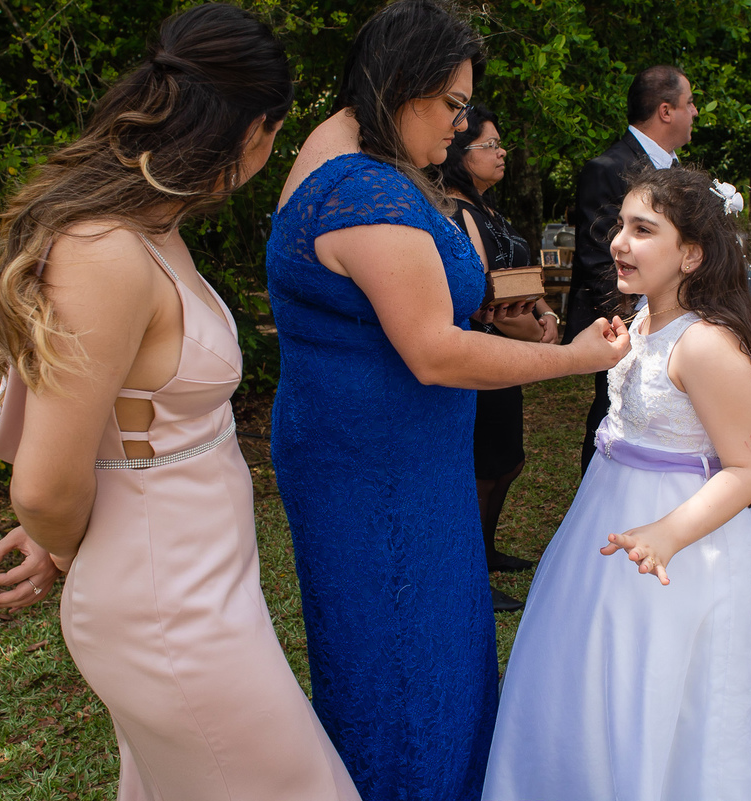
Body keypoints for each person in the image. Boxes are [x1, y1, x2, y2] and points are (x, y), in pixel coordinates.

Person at [0, 6, 361, 800]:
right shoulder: (103, 250)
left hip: (198, 577)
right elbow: (45, 484)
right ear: (254, 130)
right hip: (166, 605)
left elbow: (109, 429)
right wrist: (82, 545)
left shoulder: (154, 226)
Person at [264, 2, 629, 798]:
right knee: (403, 661)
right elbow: (431, 352)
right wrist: (571, 357)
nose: (462, 128)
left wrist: (494, 320)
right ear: (400, 87)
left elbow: (388, 315)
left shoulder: (346, 148)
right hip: (381, 476)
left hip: (390, 459)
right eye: (453, 106)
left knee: (408, 650)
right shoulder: (366, 190)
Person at [482, 167, 751, 801]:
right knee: (595, 669)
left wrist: (670, 533)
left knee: (667, 680)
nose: (620, 241)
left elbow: (749, 469)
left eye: (643, 230)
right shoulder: (641, 318)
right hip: (607, 519)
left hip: (683, 539)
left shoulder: (705, 345)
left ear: (692, 254)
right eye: (620, 226)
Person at [438, 106, 560, 613]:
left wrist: (547, 312)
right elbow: (482, 300)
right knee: (482, 467)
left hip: (512, 345)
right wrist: (533, 336)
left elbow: (522, 277)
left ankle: (485, 551)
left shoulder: (492, 213)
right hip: (486, 349)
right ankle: (469, 573)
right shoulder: (453, 211)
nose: (501, 152)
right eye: (490, 145)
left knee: (506, 463)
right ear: (461, 156)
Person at [564, 65, 698, 473]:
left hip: (682, 320)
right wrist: (645, 321)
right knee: (613, 415)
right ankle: (599, 492)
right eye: (690, 103)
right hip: (625, 323)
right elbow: (599, 261)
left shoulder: (683, 175)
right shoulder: (607, 168)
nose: (695, 112)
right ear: (665, 110)